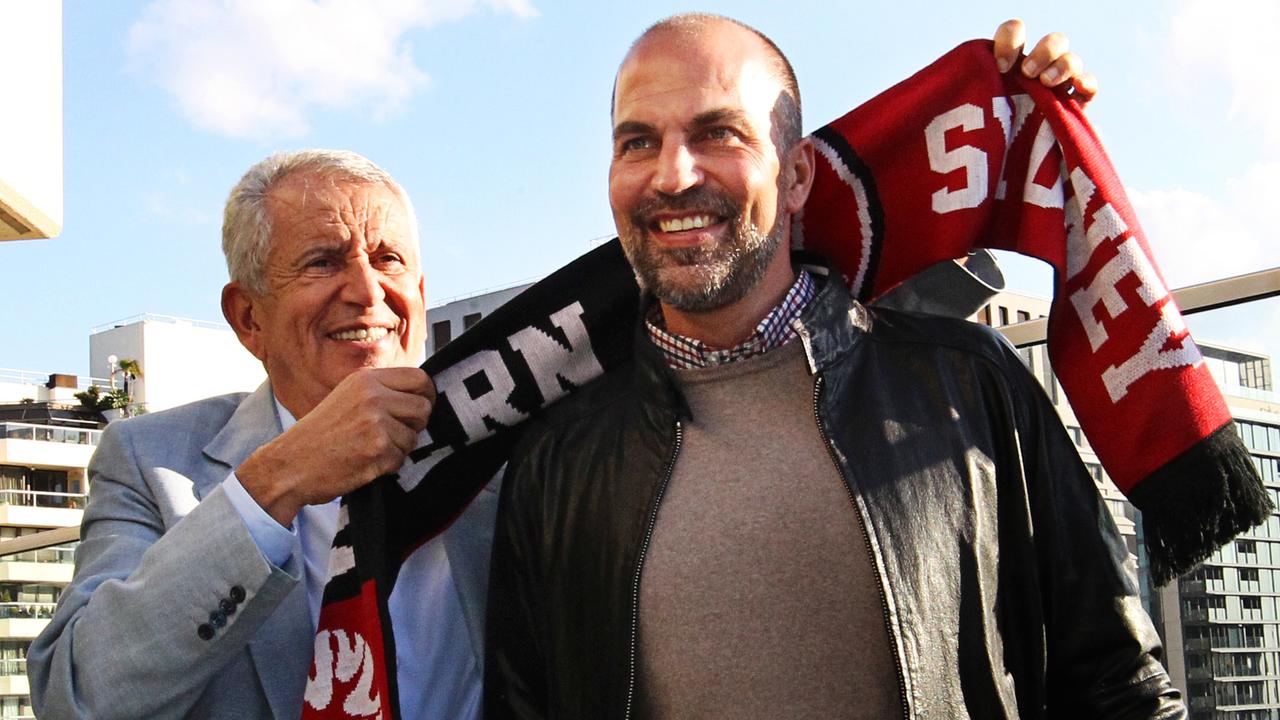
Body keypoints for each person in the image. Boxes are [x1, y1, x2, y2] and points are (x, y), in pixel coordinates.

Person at [484, 14, 1185, 720]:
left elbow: (1117, 685)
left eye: (716, 133)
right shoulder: (555, 460)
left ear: (794, 178)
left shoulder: (971, 388)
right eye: (638, 142)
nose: (672, 174)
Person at [27, 150, 493, 720]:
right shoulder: (149, 461)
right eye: (323, 262)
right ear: (248, 317)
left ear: (419, 294)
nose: (368, 292)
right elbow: (76, 697)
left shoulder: (505, 445)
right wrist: (274, 484)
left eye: (388, 259)